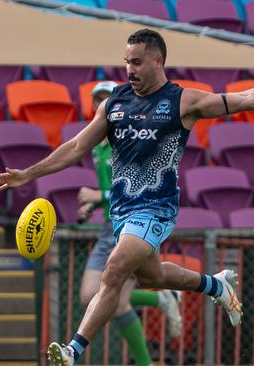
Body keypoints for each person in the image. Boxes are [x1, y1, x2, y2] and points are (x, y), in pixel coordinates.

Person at [0, 28, 254, 366]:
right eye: (126, 61)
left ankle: (72, 350)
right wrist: (29, 173)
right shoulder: (114, 104)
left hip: (156, 209)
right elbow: (77, 146)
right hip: (122, 212)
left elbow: (247, 99)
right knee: (153, 278)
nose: (129, 69)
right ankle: (216, 285)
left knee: (114, 272)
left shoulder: (182, 102)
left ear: (158, 62)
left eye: (137, 62)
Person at [76, 80, 182, 366]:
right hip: (109, 224)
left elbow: (137, 184)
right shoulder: (98, 143)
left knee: (117, 300)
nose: (101, 104)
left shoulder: (125, 136)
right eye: (96, 99)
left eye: (105, 98)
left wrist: (101, 194)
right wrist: (95, 203)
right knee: (89, 295)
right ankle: (162, 299)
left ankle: (145, 362)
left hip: (131, 223)